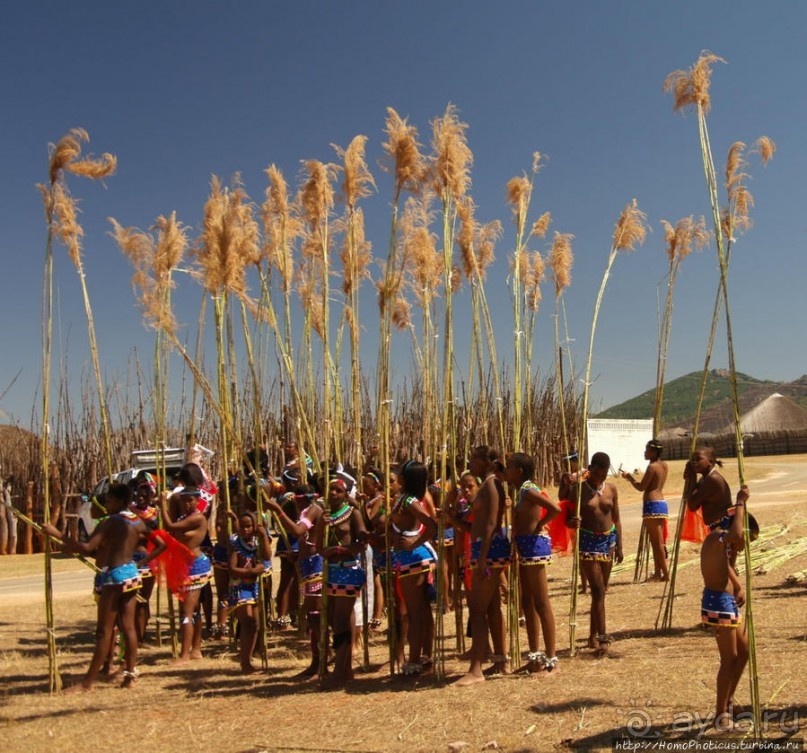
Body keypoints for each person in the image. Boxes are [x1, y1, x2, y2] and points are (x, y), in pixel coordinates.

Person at [43, 483, 163, 690]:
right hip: (132, 575)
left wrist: (56, 533)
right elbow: (162, 544)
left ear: (120, 501)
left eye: (109, 500)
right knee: (128, 628)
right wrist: (139, 564)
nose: (106, 504)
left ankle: (87, 683)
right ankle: (129, 677)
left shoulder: (110, 522)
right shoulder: (136, 520)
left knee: (104, 632)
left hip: (114, 577)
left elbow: (87, 547)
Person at [697, 480, 751, 731]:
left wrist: (738, 585)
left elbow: (727, 565)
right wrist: (740, 502)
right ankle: (720, 713)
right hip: (719, 604)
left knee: (744, 652)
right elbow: (738, 535)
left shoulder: (721, 543)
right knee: (729, 659)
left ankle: (728, 699)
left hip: (728, 601)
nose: (740, 547)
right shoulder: (717, 539)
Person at [454, 446, 509, 686]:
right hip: (483, 549)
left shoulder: (491, 484)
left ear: (486, 461)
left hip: (488, 550)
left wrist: (483, 557)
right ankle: (500, 660)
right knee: (492, 606)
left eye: (474, 460)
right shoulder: (489, 483)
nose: (470, 463)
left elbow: (491, 523)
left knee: (477, 608)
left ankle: (476, 669)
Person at [506, 452, 561, 673]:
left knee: (541, 602)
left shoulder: (529, 490)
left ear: (519, 471)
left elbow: (554, 509)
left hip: (534, 547)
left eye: (509, 467)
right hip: (524, 547)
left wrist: (540, 525)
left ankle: (551, 658)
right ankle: (535, 656)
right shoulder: (520, 490)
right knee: (527, 602)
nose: (507, 470)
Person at [566, 452, 623, 655]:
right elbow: (566, 518)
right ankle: (602, 638)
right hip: (588, 542)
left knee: (601, 593)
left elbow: (616, 518)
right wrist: (572, 522)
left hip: (608, 541)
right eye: (598, 472)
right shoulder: (579, 490)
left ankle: (592, 636)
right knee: (597, 590)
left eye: (605, 473)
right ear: (590, 469)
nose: (601, 476)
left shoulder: (612, 489)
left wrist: (620, 546)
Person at [265, 484, 324, 677]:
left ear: (300, 499)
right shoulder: (307, 511)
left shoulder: (314, 510)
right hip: (307, 566)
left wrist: (279, 512)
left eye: (297, 501)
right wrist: (297, 555)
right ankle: (319, 659)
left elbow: (299, 532)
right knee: (312, 616)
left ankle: (319, 661)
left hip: (316, 567)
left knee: (315, 616)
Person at [314, 478, 368, 687]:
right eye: (331, 490)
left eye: (338, 490)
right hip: (331, 572)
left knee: (340, 620)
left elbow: (362, 544)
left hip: (348, 570)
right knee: (335, 621)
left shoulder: (353, 513)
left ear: (346, 494)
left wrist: (340, 550)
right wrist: (321, 528)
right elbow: (319, 547)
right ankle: (345, 669)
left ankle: (339, 671)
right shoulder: (324, 516)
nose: (334, 494)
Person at [390, 460, 437, 676]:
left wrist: (414, 542)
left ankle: (415, 660)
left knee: (416, 612)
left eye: (399, 472)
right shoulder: (403, 498)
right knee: (422, 611)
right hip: (410, 558)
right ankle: (425, 656)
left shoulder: (409, 500)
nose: (396, 474)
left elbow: (432, 524)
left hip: (415, 559)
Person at [159, 485, 211, 663]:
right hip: (184, 565)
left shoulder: (197, 518)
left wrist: (161, 505)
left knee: (187, 612)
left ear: (197, 501)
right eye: (184, 500)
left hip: (195, 566)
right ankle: (195, 650)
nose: (187, 503)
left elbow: (170, 525)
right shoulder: (185, 517)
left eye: (190, 500)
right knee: (192, 611)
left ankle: (185, 654)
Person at [228, 511, 272, 673]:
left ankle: (247, 659)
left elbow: (267, 556)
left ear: (254, 527)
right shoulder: (235, 543)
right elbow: (232, 569)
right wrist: (253, 571)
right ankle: (244, 662)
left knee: (255, 624)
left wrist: (264, 536)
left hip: (254, 588)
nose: (245, 529)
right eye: (242, 526)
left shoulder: (257, 542)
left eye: (248, 526)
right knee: (246, 622)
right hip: (239, 587)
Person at [622, 439, 669, 581]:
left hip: (652, 505)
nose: (645, 452)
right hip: (661, 502)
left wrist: (629, 477)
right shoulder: (664, 465)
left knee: (657, 542)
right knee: (657, 542)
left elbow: (641, 487)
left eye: (647, 450)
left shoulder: (652, 467)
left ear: (654, 452)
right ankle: (657, 573)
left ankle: (665, 574)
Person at [130, 474, 161, 645]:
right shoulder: (130, 511)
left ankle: (141, 634)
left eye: (145, 495)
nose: (141, 499)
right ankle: (134, 634)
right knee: (133, 599)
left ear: (150, 496)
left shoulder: (156, 512)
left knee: (144, 599)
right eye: (138, 496)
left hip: (149, 558)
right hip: (132, 557)